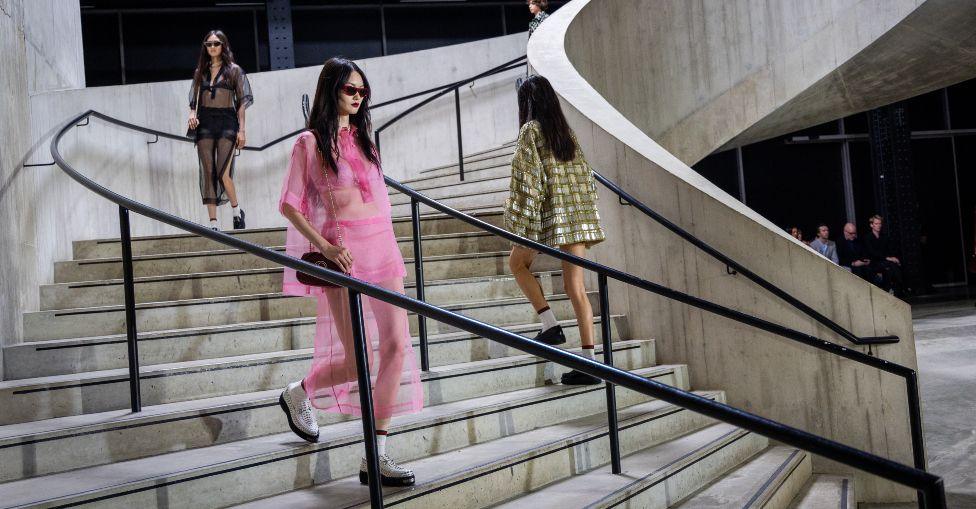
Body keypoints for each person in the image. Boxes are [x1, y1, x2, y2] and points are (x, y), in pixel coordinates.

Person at [276, 57, 422, 487]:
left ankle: (374, 454)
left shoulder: (364, 140)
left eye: (363, 92)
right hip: (344, 259)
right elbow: (289, 204)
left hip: (383, 252)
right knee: (361, 359)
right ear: (331, 90)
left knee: (396, 346)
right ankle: (299, 391)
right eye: (350, 90)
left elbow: (380, 203)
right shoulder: (309, 143)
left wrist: (395, 255)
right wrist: (323, 247)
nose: (358, 97)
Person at [505, 75, 606, 386]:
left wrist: (519, 223)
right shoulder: (566, 133)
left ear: (527, 103)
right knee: (576, 287)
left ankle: (549, 324)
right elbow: (586, 180)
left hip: (547, 217)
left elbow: (527, 183)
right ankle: (590, 364)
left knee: (516, 264)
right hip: (577, 217)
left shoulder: (530, 132)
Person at [187, 30, 252, 231]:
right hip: (205, 122)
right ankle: (213, 224)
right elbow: (193, 101)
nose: (212, 47)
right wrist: (191, 114)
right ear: (205, 47)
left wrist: (242, 130)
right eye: (209, 44)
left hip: (227, 122)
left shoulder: (234, 71)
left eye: (216, 43)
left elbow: (241, 103)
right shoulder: (201, 72)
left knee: (223, 172)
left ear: (223, 45)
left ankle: (236, 211)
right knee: (208, 172)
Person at [863, 215, 904, 295]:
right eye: (876, 223)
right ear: (872, 225)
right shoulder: (868, 237)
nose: (879, 225)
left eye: (880, 223)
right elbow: (872, 253)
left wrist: (892, 258)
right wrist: (888, 258)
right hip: (874, 262)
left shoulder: (884, 237)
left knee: (890, 267)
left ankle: (891, 290)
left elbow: (889, 250)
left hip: (884, 262)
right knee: (890, 265)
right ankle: (901, 286)